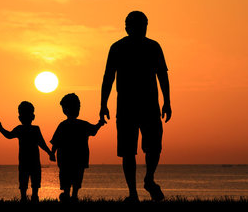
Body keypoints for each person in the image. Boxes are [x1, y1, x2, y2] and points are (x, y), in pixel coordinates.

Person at [100, 11, 171, 202]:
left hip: (149, 105)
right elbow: (108, 77)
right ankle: (133, 193)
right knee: (128, 151)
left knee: (154, 146)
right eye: (137, 25)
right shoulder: (117, 48)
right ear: (127, 27)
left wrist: (168, 102)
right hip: (126, 107)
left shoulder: (153, 47)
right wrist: (103, 104)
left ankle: (149, 179)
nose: (142, 28)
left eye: (144, 24)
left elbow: (162, 75)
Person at [50, 93, 105, 202]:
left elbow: (55, 142)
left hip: (70, 158)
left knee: (69, 177)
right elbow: (93, 130)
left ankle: (69, 195)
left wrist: (52, 153)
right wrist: (100, 123)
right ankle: (72, 195)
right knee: (75, 177)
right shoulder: (79, 124)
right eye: (77, 106)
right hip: (76, 158)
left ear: (64, 110)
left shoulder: (65, 125)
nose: (78, 108)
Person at [0, 101, 54, 203]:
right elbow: (42, 143)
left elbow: (9, 135)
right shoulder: (31, 129)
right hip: (30, 161)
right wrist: (49, 153)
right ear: (33, 116)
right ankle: (30, 198)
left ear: (20, 117)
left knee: (28, 182)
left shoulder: (25, 129)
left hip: (27, 161)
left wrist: (0, 128)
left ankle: (27, 198)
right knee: (29, 182)